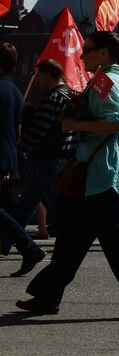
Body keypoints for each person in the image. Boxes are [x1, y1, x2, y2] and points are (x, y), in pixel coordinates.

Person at [17, 31, 119, 319]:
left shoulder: (103, 80)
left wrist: (73, 122)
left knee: (116, 240)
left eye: (88, 50)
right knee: (71, 238)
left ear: (104, 54)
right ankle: (47, 296)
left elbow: (114, 124)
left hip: (101, 172)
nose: (82, 55)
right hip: (105, 172)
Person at [7, 59, 76, 258]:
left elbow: (40, 128)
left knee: (55, 203)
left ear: (48, 74)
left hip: (48, 156)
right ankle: (6, 240)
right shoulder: (70, 94)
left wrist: (21, 147)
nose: (37, 79)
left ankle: (70, 242)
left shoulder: (53, 97)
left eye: (39, 75)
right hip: (61, 155)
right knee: (27, 203)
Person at [0, 44, 43, 275]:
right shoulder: (15, 91)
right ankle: (26, 248)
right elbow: (17, 128)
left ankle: (29, 248)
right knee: (10, 207)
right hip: (9, 155)